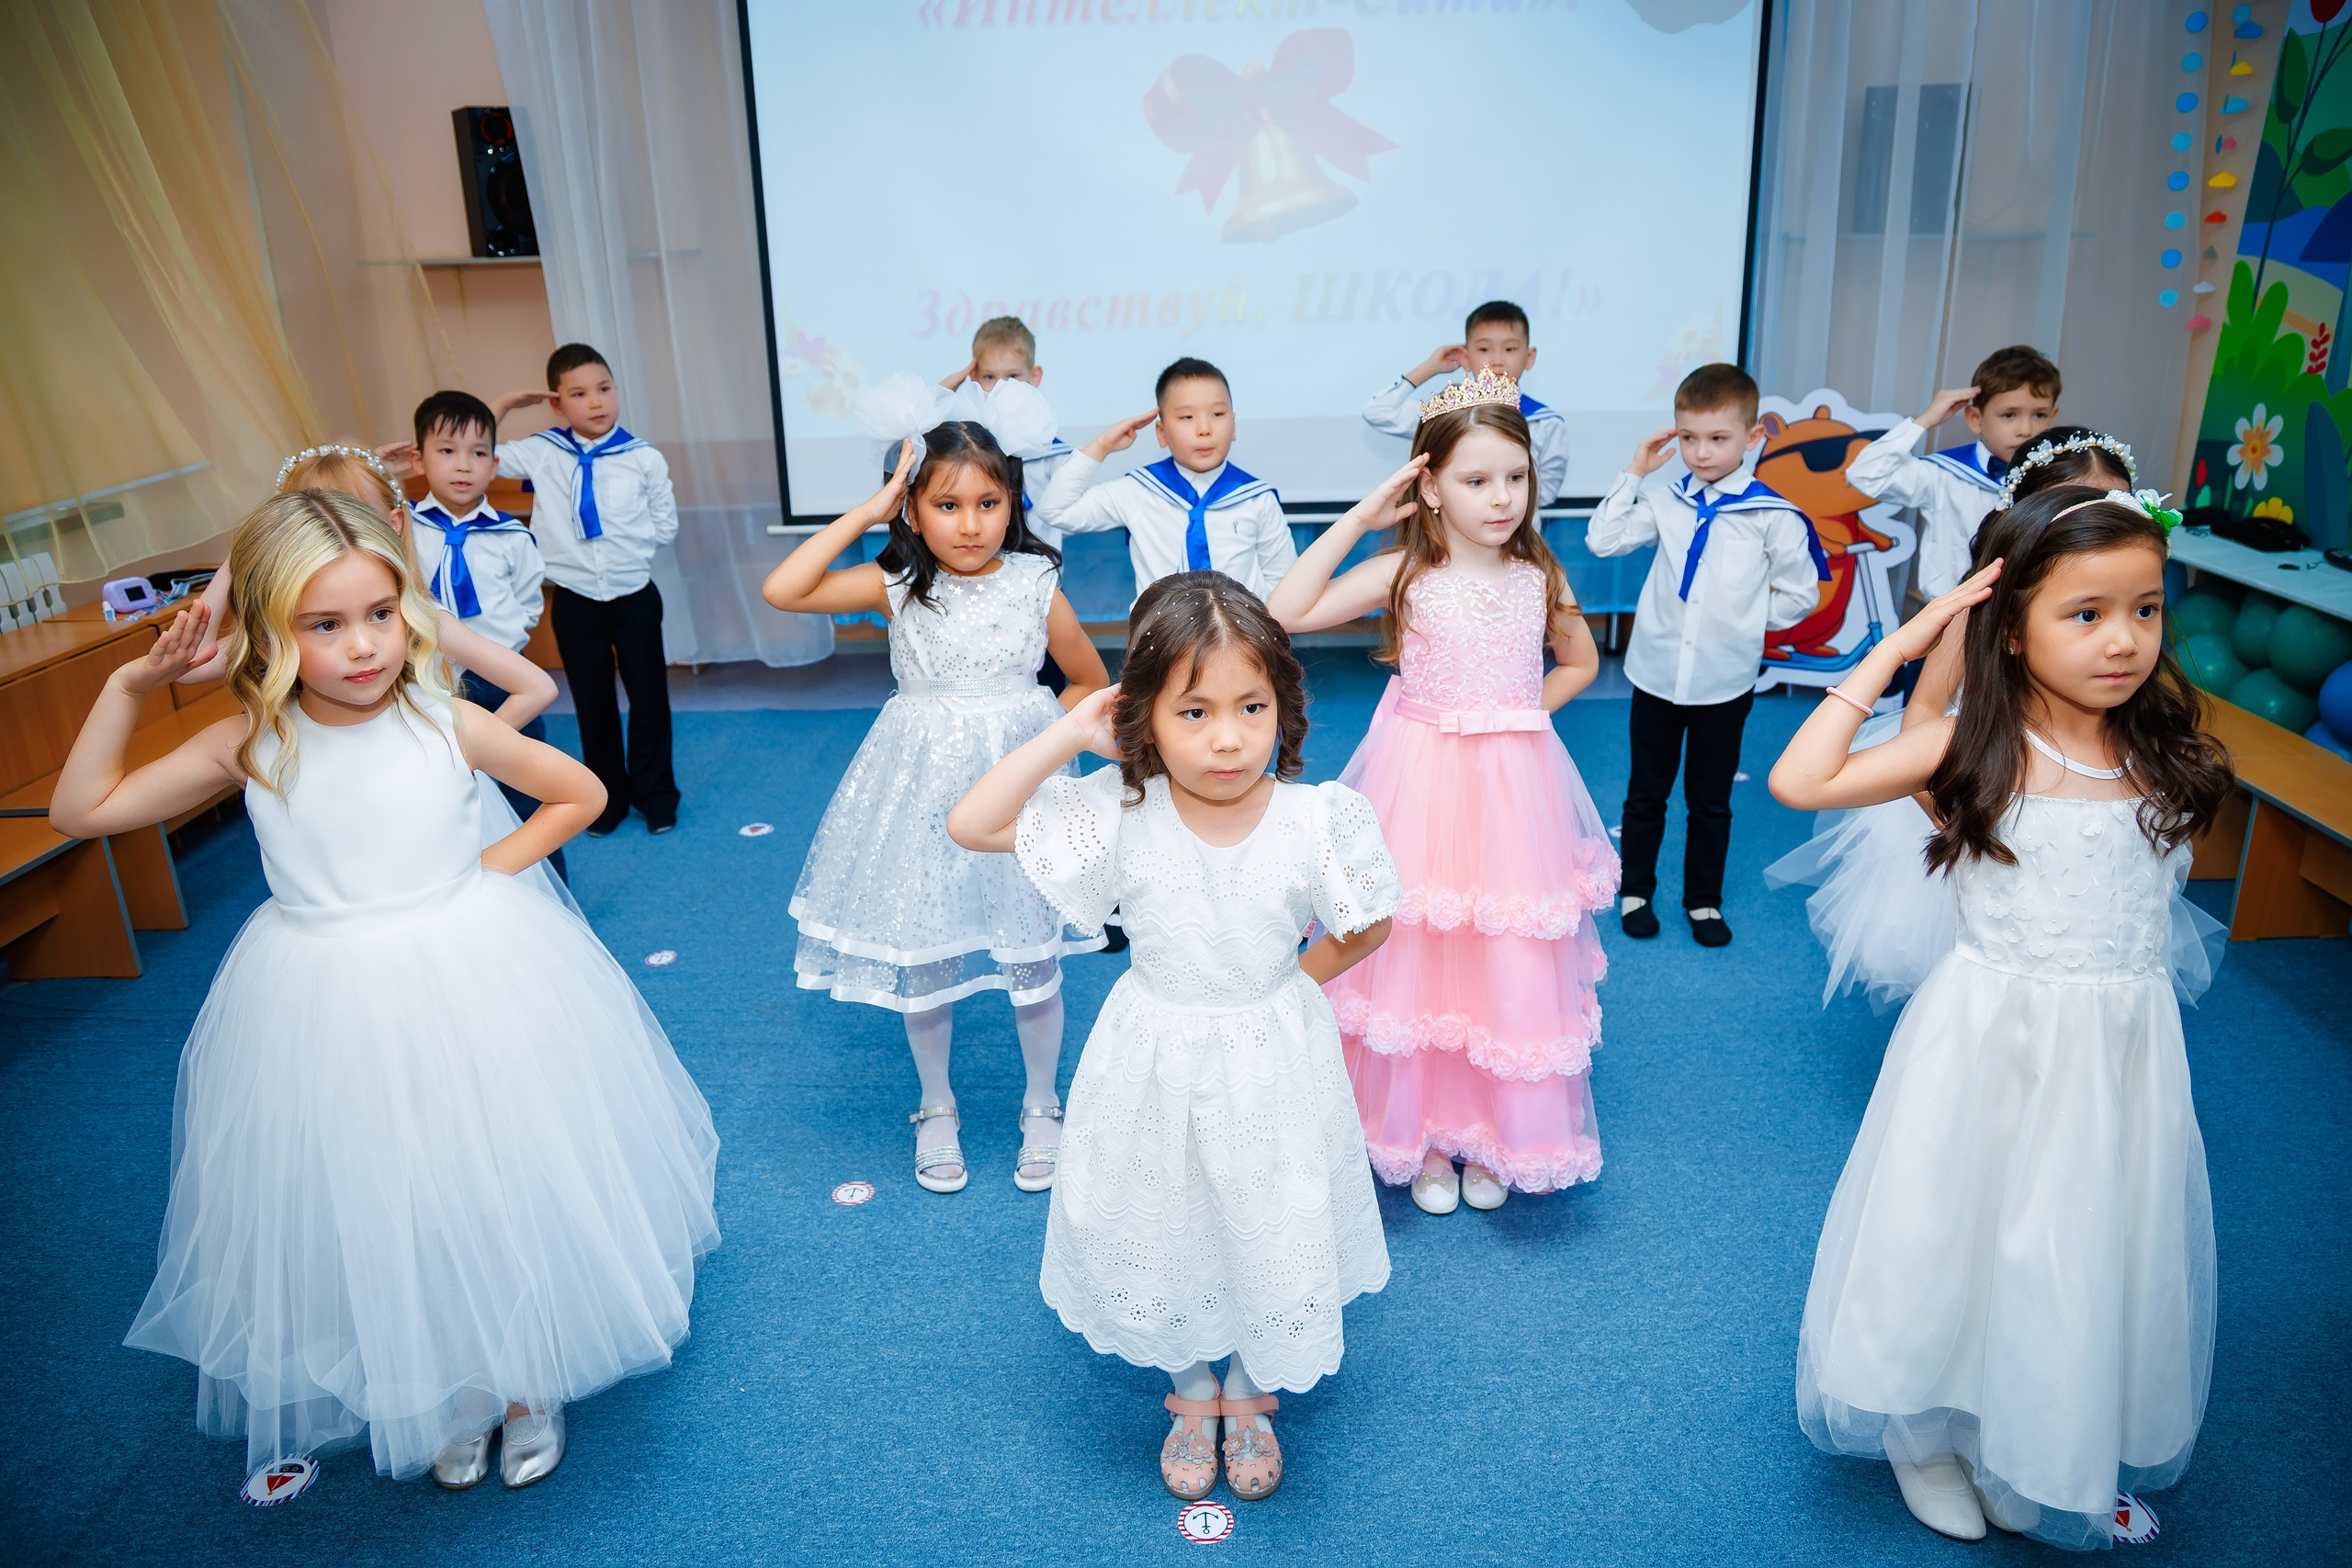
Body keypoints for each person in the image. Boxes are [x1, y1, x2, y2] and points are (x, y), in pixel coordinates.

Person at [57, 491, 718, 1492]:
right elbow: (82, 809)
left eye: (379, 614)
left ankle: (526, 1383)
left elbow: (576, 793)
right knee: (388, 1195)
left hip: (469, 979)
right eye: (324, 626)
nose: (363, 646)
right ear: (273, 632)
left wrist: (480, 883)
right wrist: (129, 684)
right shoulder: (253, 739)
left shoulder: (440, 720)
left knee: (492, 1179)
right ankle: (451, 1384)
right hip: (321, 1002)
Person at [1767, 486, 2231, 1547]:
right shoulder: (1977, 752)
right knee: (1961, 1237)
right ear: (2009, 627)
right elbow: (1800, 780)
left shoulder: (2161, 754)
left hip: (2120, 1054)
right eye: (2085, 613)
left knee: (2082, 1242)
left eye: (2145, 610)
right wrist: (1910, 641)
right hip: (1991, 1047)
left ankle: (2041, 1441)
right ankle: (1925, 1435)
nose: (2123, 640)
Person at [947, 572, 1398, 1506]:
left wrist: (1280, 995)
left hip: (1273, 1062)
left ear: (1284, 702)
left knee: (1264, 1217)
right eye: (1192, 710)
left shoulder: (1319, 817)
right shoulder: (1116, 814)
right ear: (1143, 714)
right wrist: (1072, 732)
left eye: (1250, 705)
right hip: (1151, 1061)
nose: (1227, 736)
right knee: (1168, 1214)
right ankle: (1191, 1389)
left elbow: (1368, 924)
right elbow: (973, 823)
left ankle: (1247, 1386)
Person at [1267, 369, 1614, 1216]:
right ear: (1428, 484)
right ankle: (1419, 1132)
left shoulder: (1538, 577)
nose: (1502, 498)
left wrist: (1519, 717)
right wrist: (1360, 514)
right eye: (1476, 479)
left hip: (1512, 789)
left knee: (1504, 954)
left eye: (1517, 477)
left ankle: (1495, 1130)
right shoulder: (1403, 573)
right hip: (1418, 777)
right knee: (1414, 953)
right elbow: (1284, 608)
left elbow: (1580, 663)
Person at [764, 415, 1109, 1195]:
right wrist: (868, 509)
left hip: (1017, 784)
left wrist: (1039, 740)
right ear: (912, 512)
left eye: (989, 503)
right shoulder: (896, 586)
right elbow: (784, 590)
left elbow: (1086, 679)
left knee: (1033, 951)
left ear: (1012, 505)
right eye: (946, 505)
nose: (971, 523)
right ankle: (936, 1106)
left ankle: (1043, 1103)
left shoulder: (1034, 582)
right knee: (926, 952)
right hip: (917, 788)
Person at [1763, 430, 2148, 1008]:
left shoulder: (2126, 660)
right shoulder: (1982, 614)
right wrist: (1953, 799)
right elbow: (1920, 710)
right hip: (1983, 777)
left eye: (2113, 507)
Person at [1587, 362, 1823, 946]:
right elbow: (1604, 539)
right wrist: (1636, 472)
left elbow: (1801, 592)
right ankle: (1635, 889)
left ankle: (1704, 900)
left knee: (1709, 800)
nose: (1700, 452)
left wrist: (1746, 625)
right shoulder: (1666, 502)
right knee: (1646, 792)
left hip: (1725, 679)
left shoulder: (1773, 514)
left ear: (1753, 436)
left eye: (1718, 438)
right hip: (1656, 672)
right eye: (1688, 437)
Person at [491, 344, 683, 835]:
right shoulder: (542, 451)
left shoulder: (643, 458)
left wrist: (627, 554)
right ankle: (607, 797)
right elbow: (482, 453)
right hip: (575, 599)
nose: (595, 402)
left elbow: (665, 526)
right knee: (592, 702)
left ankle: (656, 795)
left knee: (649, 698)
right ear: (557, 404)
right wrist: (504, 407)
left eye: (604, 389)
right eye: (578, 394)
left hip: (634, 595)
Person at [1033, 356, 1295, 601]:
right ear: (1161, 432)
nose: (1204, 429)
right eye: (1187, 417)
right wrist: (1101, 446)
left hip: (1240, 643)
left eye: (1217, 414)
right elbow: (1054, 511)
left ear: (1234, 425)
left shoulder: (1257, 499)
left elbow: (1284, 585)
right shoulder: (1137, 491)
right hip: (1160, 644)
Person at [1845, 344, 2062, 599]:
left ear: (2053, 416)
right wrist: (1926, 420)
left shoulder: (2057, 479)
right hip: (1949, 614)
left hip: (2021, 615)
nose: (2025, 429)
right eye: (2009, 415)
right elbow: (1865, 473)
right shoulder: (1943, 475)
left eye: (2039, 415)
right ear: (1975, 418)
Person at [1363, 299, 1571, 507]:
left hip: (1514, 535)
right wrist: (1431, 367)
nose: (1497, 360)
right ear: (1465, 356)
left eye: (1510, 349)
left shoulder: (1544, 422)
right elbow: (1378, 412)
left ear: (1529, 356)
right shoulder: (1449, 413)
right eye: (1484, 350)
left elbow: (1548, 491)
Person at [939, 315, 1075, 536]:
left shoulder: (1053, 453)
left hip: (1039, 564)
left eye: (1012, 376)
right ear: (973, 376)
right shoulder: (963, 445)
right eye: (990, 376)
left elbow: (1071, 515)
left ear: (1034, 376)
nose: (1002, 388)